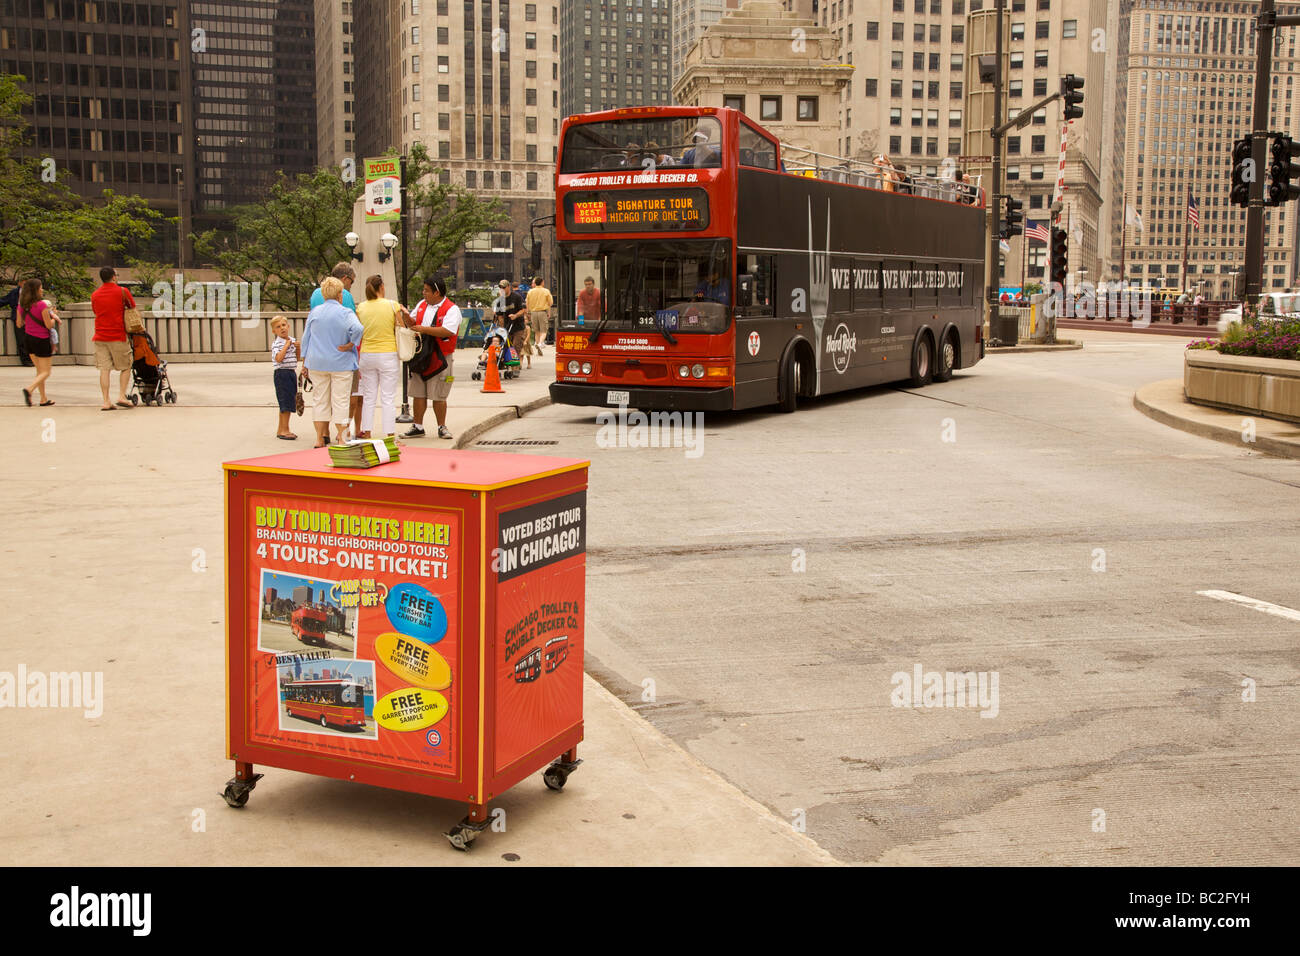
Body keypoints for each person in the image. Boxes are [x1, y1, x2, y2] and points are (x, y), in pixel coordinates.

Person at [300, 276, 363, 447]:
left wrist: (304, 361)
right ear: (339, 295)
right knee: (340, 400)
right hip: (340, 362)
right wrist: (351, 343)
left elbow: (306, 338)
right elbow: (358, 328)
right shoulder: (345, 312)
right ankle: (341, 437)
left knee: (320, 399)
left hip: (317, 362)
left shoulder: (315, 312)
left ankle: (319, 438)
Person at [401, 277, 462, 441]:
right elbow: (412, 323)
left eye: (427, 290)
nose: (424, 293)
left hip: (441, 357)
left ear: (437, 292)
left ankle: (441, 426)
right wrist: (406, 317)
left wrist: (423, 329)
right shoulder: (422, 305)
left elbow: (447, 330)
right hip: (421, 356)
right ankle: (418, 426)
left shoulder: (451, 309)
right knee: (418, 393)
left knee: (439, 394)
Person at [355, 274, 410, 440]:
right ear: (382, 287)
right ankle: (389, 434)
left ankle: (367, 431)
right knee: (387, 397)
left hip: (366, 354)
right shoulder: (392, 305)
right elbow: (401, 326)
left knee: (369, 396)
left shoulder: (361, 308)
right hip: (388, 353)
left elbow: (358, 331)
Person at [90, 266, 137, 410]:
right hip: (117, 335)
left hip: (100, 336)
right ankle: (122, 396)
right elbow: (132, 306)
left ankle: (106, 401)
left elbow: (95, 311)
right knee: (126, 365)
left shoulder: (95, 294)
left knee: (104, 369)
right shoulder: (122, 291)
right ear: (114, 277)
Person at [17, 278, 59, 407]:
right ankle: (29, 389)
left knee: (40, 371)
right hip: (41, 340)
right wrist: (54, 317)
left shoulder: (21, 306)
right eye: (40, 287)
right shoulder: (42, 305)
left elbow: (19, 324)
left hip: (28, 339)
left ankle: (43, 399)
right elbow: (48, 325)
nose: (42, 289)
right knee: (46, 372)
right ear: (36, 290)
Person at [269, 315, 299, 441]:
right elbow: (278, 358)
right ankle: (284, 430)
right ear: (274, 331)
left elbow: (297, 357)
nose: (282, 328)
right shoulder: (277, 343)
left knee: (289, 401)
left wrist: (297, 347)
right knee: (285, 402)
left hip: (291, 372)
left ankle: (281, 429)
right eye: (278, 327)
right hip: (282, 374)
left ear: (288, 326)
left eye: (283, 325)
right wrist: (286, 346)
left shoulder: (291, 340)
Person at [495, 278, 528, 366]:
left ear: (509, 287)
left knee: (516, 345)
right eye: (501, 288)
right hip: (507, 326)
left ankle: (515, 367)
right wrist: (502, 329)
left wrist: (515, 315)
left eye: (504, 287)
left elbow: (523, 310)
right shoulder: (500, 300)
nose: (502, 289)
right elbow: (500, 316)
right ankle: (506, 363)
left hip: (518, 326)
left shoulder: (516, 297)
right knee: (505, 346)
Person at [525, 276, 554, 367]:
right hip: (542, 312)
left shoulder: (530, 291)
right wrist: (548, 311)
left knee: (537, 331)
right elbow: (551, 303)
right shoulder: (546, 291)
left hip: (533, 312)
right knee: (544, 330)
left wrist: (528, 312)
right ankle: (540, 343)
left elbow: (527, 303)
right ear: (542, 282)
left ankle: (538, 346)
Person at [2, 285, 33, 367]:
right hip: (18, 318)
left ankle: (35, 359)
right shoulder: (15, 292)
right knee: (21, 340)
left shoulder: (33, 291)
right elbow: (4, 301)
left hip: (31, 318)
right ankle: (26, 360)